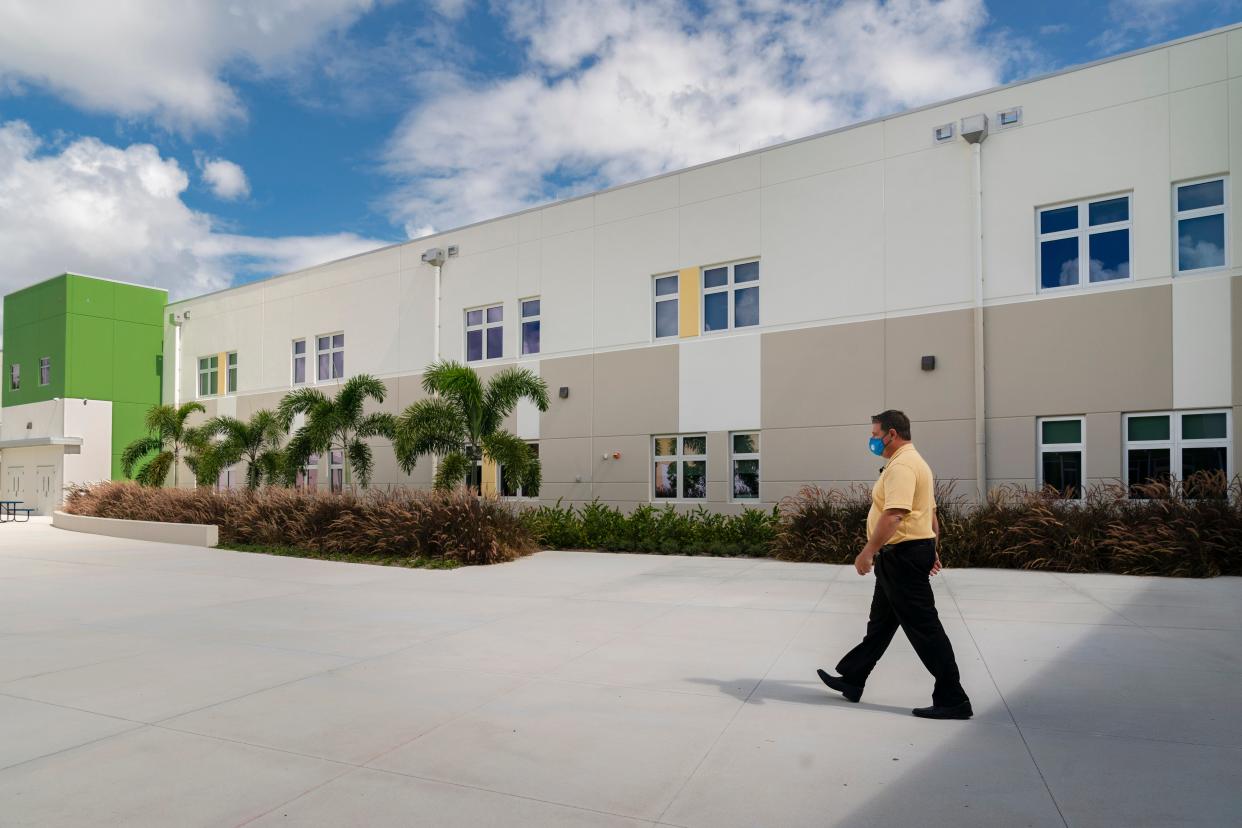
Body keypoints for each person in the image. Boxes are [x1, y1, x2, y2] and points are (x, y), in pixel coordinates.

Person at [817, 410, 972, 720]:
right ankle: (853, 678)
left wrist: (867, 551)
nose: (872, 440)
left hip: (901, 555)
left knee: (925, 628)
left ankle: (953, 698)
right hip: (908, 552)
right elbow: (929, 514)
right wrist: (932, 546)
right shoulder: (915, 462)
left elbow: (895, 514)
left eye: (875, 434)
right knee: (881, 624)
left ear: (892, 434)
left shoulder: (902, 466)